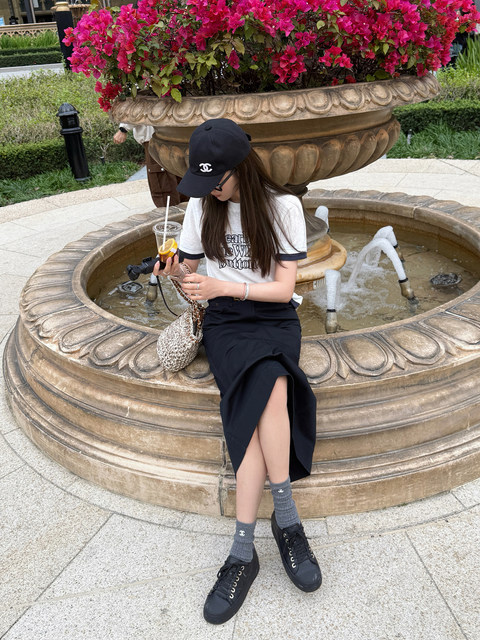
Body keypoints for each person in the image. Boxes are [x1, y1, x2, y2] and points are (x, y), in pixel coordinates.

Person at [154, 118, 321, 625]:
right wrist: (176, 273)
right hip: (225, 323)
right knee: (268, 388)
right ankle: (285, 524)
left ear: (240, 169)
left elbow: (283, 289)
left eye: (216, 181)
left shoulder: (282, 207)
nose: (210, 191)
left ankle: (244, 550)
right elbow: (191, 273)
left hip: (273, 317)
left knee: (269, 383)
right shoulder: (202, 206)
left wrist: (222, 285)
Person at [113, 123, 187, 208]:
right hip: (176, 136)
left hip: (156, 138)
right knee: (178, 175)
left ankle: (171, 213)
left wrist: (123, 129)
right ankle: (184, 211)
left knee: (162, 180)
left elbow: (138, 113)